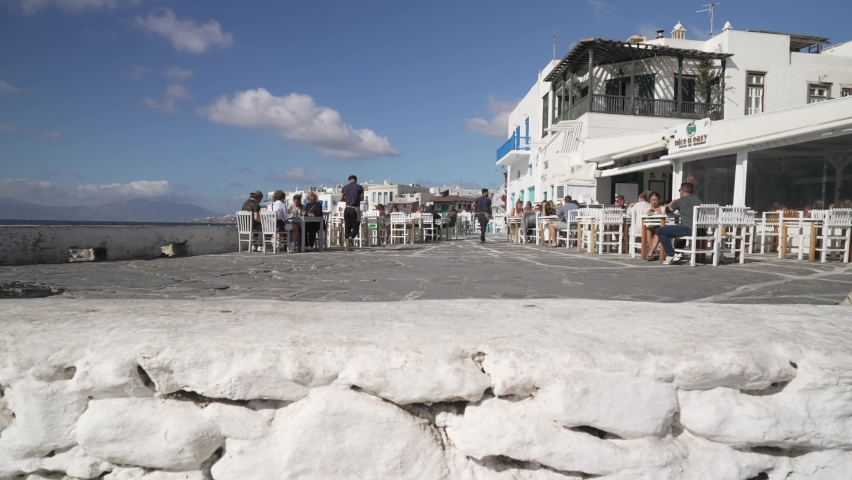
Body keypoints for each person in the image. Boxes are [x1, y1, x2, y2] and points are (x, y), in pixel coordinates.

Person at [656, 183, 703, 265]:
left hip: (689, 230)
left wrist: (671, 203)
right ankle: (678, 252)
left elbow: (668, 211)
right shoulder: (699, 201)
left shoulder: (679, 201)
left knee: (660, 231)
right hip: (701, 230)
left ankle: (671, 254)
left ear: (682, 191)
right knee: (680, 228)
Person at [339, 175, 364, 251]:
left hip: (347, 208)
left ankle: (347, 242)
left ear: (349, 180)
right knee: (356, 226)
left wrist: (346, 200)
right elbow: (362, 198)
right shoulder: (359, 187)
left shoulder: (345, 187)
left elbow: (340, 198)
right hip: (355, 208)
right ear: (356, 180)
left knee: (347, 227)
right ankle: (350, 238)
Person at [643, 192, 665, 261]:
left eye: (655, 200)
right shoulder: (647, 208)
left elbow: (666, 216)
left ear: (658, 200)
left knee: (658, 231)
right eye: (652, 200)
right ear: (650, 200)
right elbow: (642, 216)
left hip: (660, 226)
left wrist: (660, 213)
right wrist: (647, 213)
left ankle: (651, 253)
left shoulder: (662, 208)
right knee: (648, 232)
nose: (654, 202)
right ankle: (653, 252)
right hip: (650, 226)